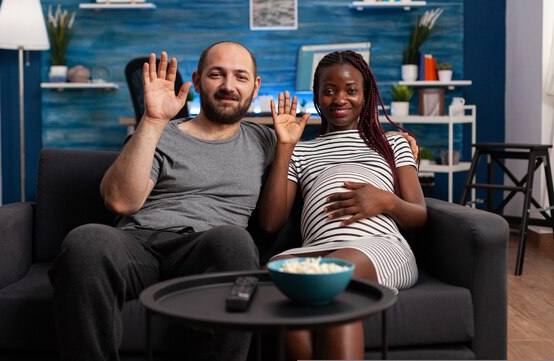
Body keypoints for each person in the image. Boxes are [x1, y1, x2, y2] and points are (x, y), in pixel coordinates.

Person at [48, 41, 276, 361]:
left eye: (240, 77)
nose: (228, 86)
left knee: (235, 240)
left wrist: (375, 196)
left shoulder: (266, 140)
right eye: (216, 74)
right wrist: (152, 122)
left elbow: (321, 163)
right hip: (138, 243)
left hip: (206, 250)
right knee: (86, 239)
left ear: (255, 86)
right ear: (196, 81)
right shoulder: (159, 132)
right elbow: (120, 202)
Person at [257, 50, 428, 360]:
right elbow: (270, 222)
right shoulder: (302, 150)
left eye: (351, 90)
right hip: (314, 252)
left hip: (376, 246)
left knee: (326, 280)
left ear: (366, 96)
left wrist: (386, 200)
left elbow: (419, 215)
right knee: (279, 290)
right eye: (329, 90)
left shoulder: (393, 143)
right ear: (317, 96)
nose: (340, 99)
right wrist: (284, 147)